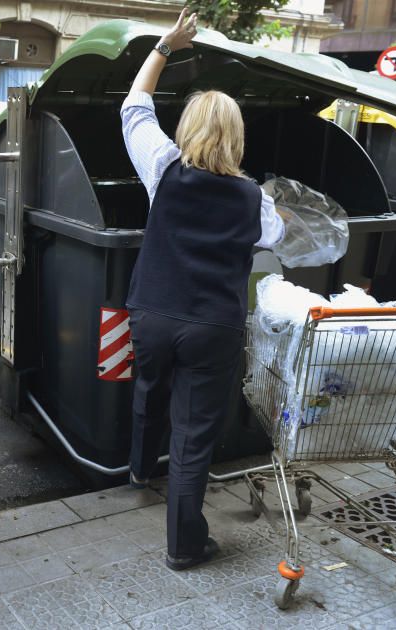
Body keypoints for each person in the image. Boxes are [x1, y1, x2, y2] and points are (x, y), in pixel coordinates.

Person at [120, 9, 285, 571]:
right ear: (237, 137)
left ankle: (140, 469)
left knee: (148, 387)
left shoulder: (162, 166)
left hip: (153, 312)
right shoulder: (254, 199)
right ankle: (184, 546)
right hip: (212, 325)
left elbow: (134, 107)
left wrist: (165, 47)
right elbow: (276, 237)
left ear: (187, 130)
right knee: (192, 437)